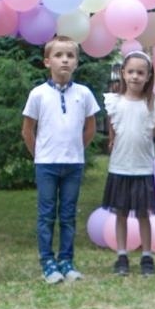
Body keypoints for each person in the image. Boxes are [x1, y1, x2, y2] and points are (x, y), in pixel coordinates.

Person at [22, 38, 100, 284]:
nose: (65, 59)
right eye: (58, 55)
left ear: (76, 62)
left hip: (73, 165)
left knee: (68, 215)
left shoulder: (84, 93)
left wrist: (76, 149)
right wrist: (40, 155)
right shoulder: (38, 94)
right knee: (46, 215)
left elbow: (90, 128)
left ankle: (66, 261)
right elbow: (27, 131)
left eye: (70, 55)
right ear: (48, 61)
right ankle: (47, 263)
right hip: (46, 165)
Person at [101, 51, 155, 276]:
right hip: (120, 166)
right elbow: (113, 128)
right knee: (121, 213)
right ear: (123, 74)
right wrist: (111, 141)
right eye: (131, 72)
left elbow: (152, 132)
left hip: (142, 167)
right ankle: (122, 255)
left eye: (141, 72)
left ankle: (147, 256)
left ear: (148, 76)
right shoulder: (114, 102)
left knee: (143, 214)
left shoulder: (153, 105)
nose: (135, 76)